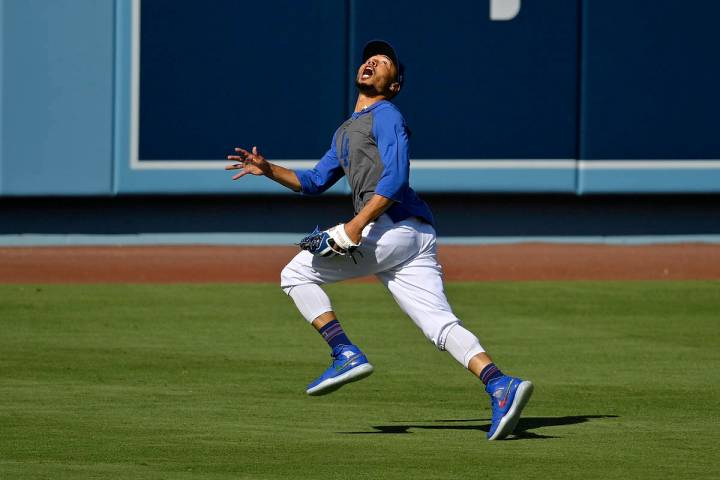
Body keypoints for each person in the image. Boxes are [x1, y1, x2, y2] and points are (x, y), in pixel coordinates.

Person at [226, 40, 533, 440]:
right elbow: (313, 181)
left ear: (395, 85)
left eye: (384, 61)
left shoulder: (386, 114)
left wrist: (354, 227)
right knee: (438, 323)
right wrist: (268, 169)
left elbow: (395, 177)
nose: (372, 61)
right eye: (370, 57)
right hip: (413, 236)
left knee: (295, 274)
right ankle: (499, 383)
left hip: (391, 227)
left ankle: (344, 352)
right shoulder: (344, 132)